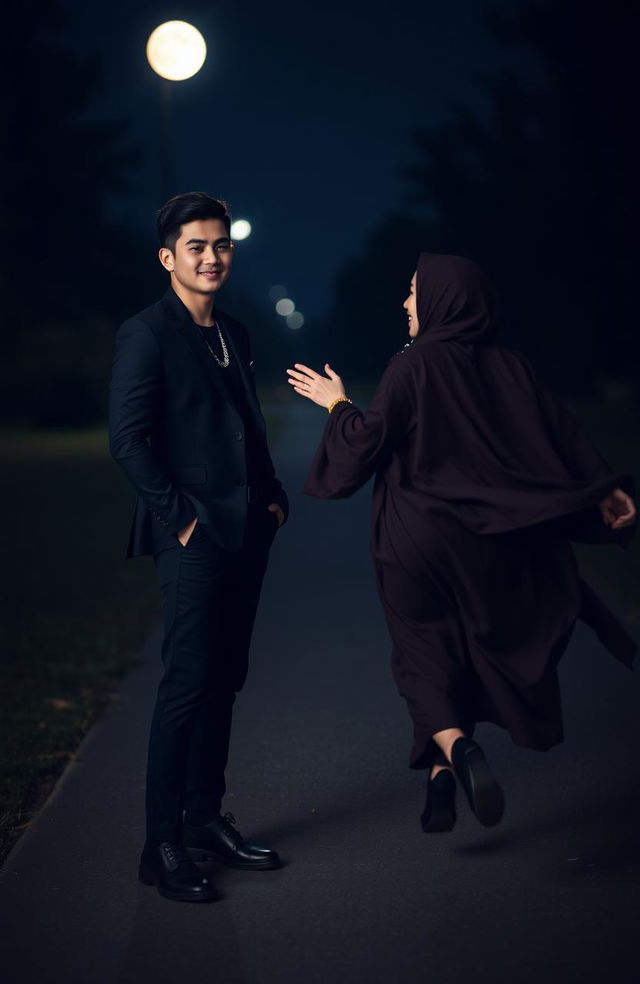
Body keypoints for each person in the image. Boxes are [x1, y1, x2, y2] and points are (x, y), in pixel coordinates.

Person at [287, 253, 636, 833]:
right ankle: (440, 781)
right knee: (467, 654)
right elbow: (562, 435)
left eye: (414, 292)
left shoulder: (412, 367)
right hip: (490, 545)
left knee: (423, 656)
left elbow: (365, 445)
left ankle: (458, 748)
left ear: (445, 299)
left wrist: (337, 405)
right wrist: (604, 490)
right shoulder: (513, 368)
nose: (404, 304)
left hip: (414, 541)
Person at [109, 192, 288, 902]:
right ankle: (160, 846)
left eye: (221, 246)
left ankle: (203, 819)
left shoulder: (234, 333)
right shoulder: (146, 333)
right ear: (168, 257)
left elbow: (246, 423)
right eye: (196, 248)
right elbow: (127, 440)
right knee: (186, 684)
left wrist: (272, 496)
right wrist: (179, 518)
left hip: (247, 526)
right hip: (193, 533)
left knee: (224, 678)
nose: (212, 257)